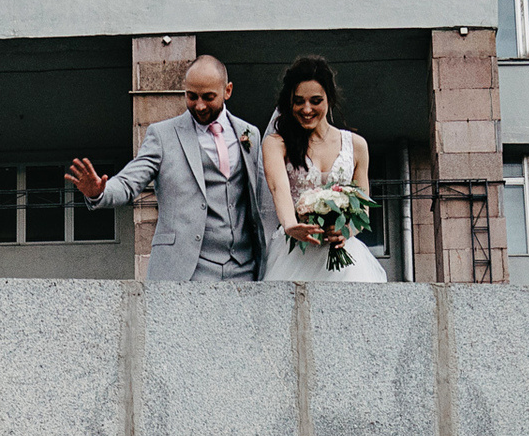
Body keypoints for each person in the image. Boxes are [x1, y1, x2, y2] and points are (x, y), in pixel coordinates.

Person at [64, 54, 270, 282]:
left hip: (243, 267)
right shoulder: (163, 135)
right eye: (191, 96)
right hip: (185, 269)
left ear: (227, 91)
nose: (199, 105)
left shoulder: (249, 134)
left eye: (208, 97)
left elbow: (263, 194)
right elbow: (130, 181)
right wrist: (100, 192)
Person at [260, 54, 386, 283]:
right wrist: (291, 225)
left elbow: (363, 207)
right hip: (295, 254)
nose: (306, 109)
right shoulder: (276, 144)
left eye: (315, 101)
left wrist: (345, 232)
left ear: (329, 98)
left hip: (342, 254)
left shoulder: (356, 145)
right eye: (299, 101)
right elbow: (278, 188)